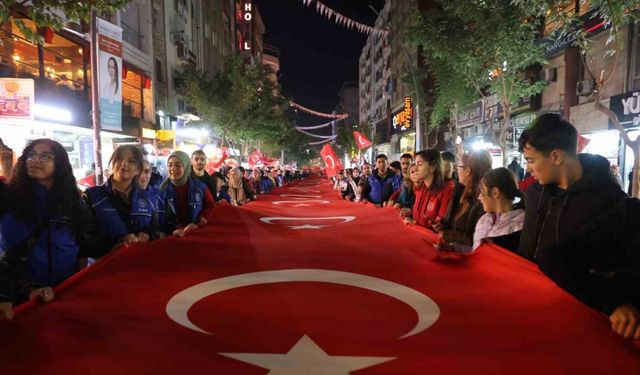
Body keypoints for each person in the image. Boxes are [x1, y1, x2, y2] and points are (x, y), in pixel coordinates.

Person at [517, 113, 626, 261]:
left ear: (556, 157)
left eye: (531, 160)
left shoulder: (610, 200)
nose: (528, 169)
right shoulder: (534, 193)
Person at [0, 139, 89, 321]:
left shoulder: (72, 201)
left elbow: (84, 242)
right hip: (20, 300)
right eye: (31, 155)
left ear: (60, 163)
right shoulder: (8, 198)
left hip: (65, 295)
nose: (36, 160)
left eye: (45, 156)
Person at [537, 197, 640, 340]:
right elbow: (554, 258)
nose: (531, 172)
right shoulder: (630, 215)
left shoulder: (612, 197)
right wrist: (614, 303)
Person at [83, 145, 158, 255]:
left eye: (131, 161)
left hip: (140, 264)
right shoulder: (92, 196)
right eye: (119, 158)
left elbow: (155, 229)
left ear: (138, 170)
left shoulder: (149, 198)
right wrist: (117, 242)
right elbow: (85, 237)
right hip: (107, 265)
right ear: (112, 164)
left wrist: (148, 235)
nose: (124, 163)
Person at [437, 150, 492, 252]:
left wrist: (445, 234)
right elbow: (450, 221)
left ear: (467, 171)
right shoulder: (460, 191)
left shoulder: (482, 199)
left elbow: (474, 239)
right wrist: (440, 225)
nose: (456, 170)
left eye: (459, 166)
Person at [160, 151, 215, 237]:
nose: (173, 168)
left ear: (186, 167)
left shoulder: (199, 187)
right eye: (170, 165)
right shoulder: (161, 189)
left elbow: (211, 205)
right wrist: (174, 229)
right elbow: (158, 217)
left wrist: (198, 223)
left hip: (195, 235)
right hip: (170, 236)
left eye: (178, 165)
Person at [474, 167, 525, 252]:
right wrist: (455, 248)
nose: (479, 198)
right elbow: (475, 253)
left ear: (495, 193)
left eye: (482, 193)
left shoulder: (518, 226)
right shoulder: (484, 220)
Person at [402, 150, 454, 231]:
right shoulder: (421, 187)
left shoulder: (447, 190)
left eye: (419, 164)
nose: (415, 168)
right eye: (415, 164)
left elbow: (440, 226)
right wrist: (410, 211)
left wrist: (415, 222)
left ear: (432, 167)